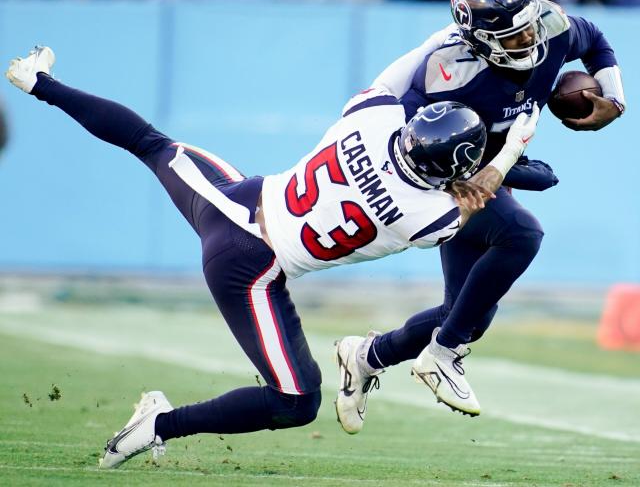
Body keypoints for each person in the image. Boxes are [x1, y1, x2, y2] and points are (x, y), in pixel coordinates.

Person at [5, 45, 538, 468]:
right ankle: (159, 423)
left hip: (232, 197)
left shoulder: (371, 119)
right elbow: (470, 199)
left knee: (147, 140)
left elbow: (407, 71)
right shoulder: (428, 216)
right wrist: (509, 158)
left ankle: (38, 83)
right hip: (250, 265)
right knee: (296, 401)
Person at [334, 0, 626, 432]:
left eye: (530, 26)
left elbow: (595, 41)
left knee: (468, 313)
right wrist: (455, 180)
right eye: (514, 36)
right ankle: (442, 355)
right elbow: (400, 142)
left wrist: (613, 96)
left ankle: (367, 356)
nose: (530, 40)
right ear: (480, 40)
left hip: (491, 175)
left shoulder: (549, 33)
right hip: (434, 183)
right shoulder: (447, 74)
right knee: (522, 235)